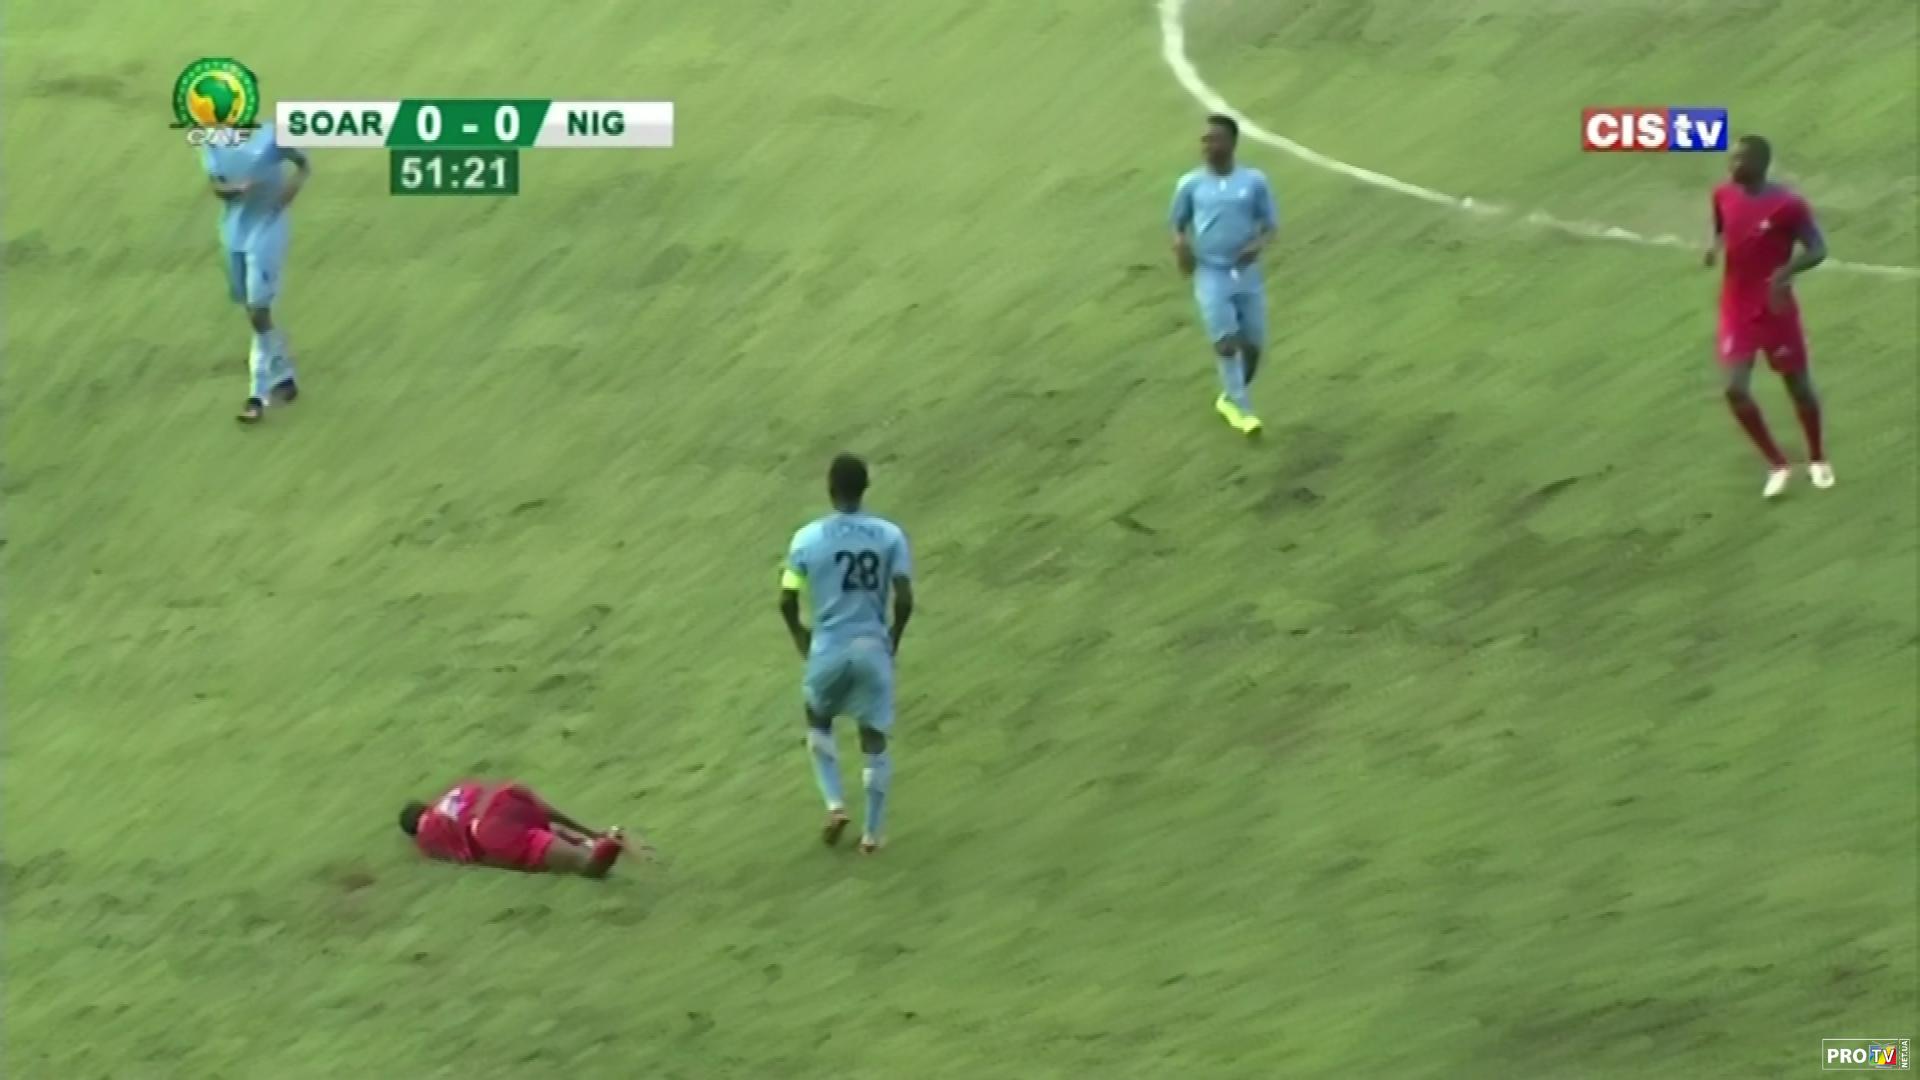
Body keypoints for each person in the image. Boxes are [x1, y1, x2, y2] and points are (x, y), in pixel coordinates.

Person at [779, 454, 914, 854]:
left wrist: (800, 636)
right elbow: (904, 597)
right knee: (873, 738)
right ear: (865, 488)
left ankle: (835, 804)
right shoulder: (890, 536)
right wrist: (893, 639)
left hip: (828, 648)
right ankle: (871, 836)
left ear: (830, 489)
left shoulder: (806, 539)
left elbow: (786, 597)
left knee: (818, 717)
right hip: (872, 648)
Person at [1703, 134, 1830, 498]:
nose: (1732, 165)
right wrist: (1714, 247)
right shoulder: (1722, 194)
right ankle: (1778, 464)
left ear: (1759, 165)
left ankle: (1817, 458)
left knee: (1798, 387)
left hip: (1776, 309)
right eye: (1731, 158)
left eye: (1739, 160)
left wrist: (1785, 272)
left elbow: (1818, 249)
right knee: (1734, 389)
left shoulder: (1788, 205)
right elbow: (1721, 224)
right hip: (1736, 307)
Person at [1169, 113, 1278, 437]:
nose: (1206, 145)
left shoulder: (1254, 182)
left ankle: (1230, 396)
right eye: (1204, 139)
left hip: (1246, 274)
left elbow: (1270, 226)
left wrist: (1257, 245)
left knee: (1253, 347)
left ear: (1231, 143)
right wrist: (1181, 248)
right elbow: (1177, 224)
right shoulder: (1190, 185)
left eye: (1213, 139)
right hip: (1211, 273)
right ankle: (1243, 410)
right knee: (1227, 343)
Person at [200, 122, 311, 424]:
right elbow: (216, 185)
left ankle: (257, 396)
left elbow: (303, 166)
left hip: (268, 232)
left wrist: (285, 197)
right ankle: (284, 372)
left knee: (258, 310)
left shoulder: (273, 135)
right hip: (233, 234)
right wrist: (234, 191)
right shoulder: (213, 140)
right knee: (253, 312)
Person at [398, 779, 635, 878]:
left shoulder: (426, 837)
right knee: (544, 824)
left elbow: (473, 858)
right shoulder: (455, 791)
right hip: (504, 796)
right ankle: (592, 835)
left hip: (488, 828)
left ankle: (602, 850)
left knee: (585, 867)